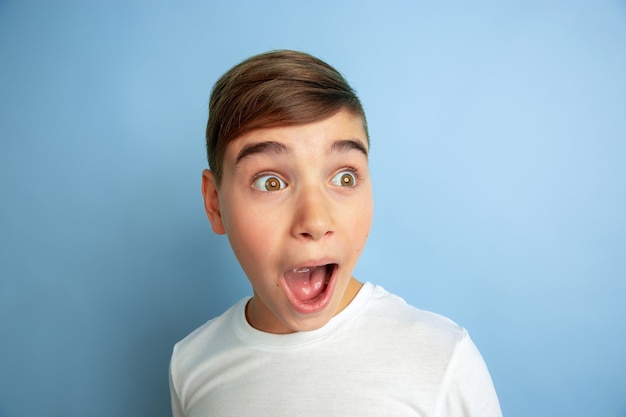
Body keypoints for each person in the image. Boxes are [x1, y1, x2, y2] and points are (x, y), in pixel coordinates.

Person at [169, 49, 502, 417]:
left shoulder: (443, 358)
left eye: (344, 177)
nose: (314, 221)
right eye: (271, 182)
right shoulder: (191, 364)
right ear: (215, 203)